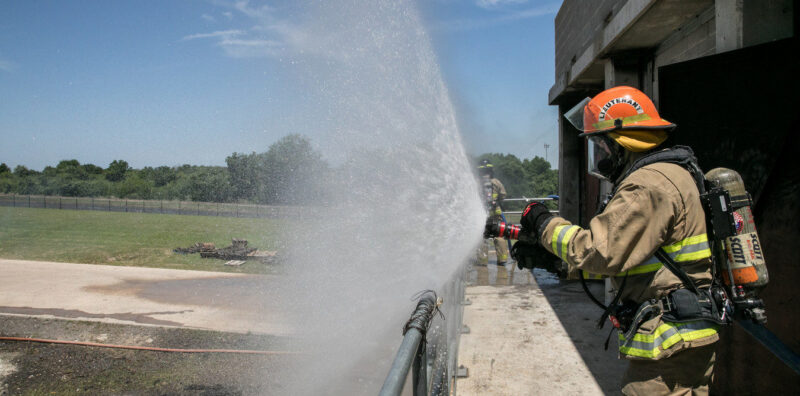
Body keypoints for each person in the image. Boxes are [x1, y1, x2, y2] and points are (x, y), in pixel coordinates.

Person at [488, 86, 720, 395]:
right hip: (684, 339)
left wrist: (544, 223)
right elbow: (639, 258)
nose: (600, 158)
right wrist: (560, 265)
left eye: (601, 147)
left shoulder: (647, 185)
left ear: (621, 143)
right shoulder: (669, 174)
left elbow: (599, 251)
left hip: (671, 346)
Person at [476, 160, 509, 266]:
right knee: (499, 235)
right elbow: (503, 194)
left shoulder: (477, 182)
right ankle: (502, 259)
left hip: (482, 214)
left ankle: (482, 260)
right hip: (495, 213)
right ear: (491, 170)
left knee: (482, 237)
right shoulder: (496, 182)